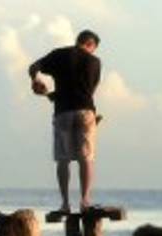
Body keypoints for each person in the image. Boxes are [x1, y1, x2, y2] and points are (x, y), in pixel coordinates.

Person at [28, 29, 101, 212]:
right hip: (85, 111)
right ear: (91, 45)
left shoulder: (59, 54)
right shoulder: (94, 61)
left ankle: (65, 203)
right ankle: (85, 201)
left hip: (62, 111)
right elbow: (89, 92)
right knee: (86, 158)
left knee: (63, 160)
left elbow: (33, 67)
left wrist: (35, 80)